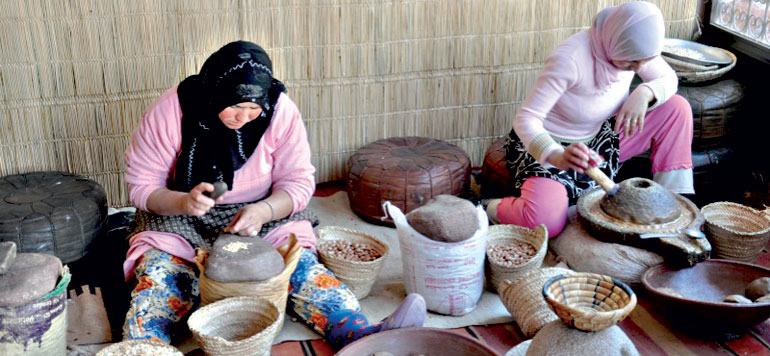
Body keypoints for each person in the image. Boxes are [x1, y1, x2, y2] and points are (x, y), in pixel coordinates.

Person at [122, 40, 426, 349]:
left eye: (254, 108)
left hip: (260, 213)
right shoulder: (173, 110)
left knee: (301, 268)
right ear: (214, 91)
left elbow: (297, 183)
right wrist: (183, 202)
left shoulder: (280, 112)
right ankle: (144, 346)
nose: (244, 117)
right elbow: (142, 186)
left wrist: (264, 211)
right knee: (161, 280)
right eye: (236, 106)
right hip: (178, 217)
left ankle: (358, 333)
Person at [486, 2, 693, 237]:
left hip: (598, 139)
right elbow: (526, 119)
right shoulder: (570, 59)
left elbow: (668, 78)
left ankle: (669, 206)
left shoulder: (635, 48)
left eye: (644, 62)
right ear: (616, 41)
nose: (638, 69)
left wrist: (645, 92)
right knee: (548, 223)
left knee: (676, 108)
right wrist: (557, 155)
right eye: (632, 62)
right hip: (551, 146)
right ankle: (488, 207)